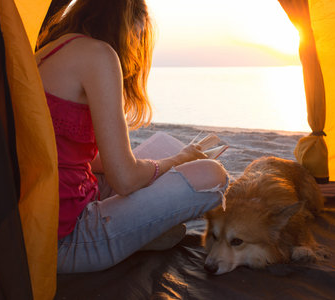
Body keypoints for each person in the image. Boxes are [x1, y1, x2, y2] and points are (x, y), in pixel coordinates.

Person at [35, 0, 228, 273]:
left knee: (165, 145)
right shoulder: (99, 55)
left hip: (52, 203)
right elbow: (124, 180)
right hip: (63, 239)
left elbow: (69, 155)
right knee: (212, 175)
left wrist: (163, 163)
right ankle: (142, 233)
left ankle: (142, 229)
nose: (138, 43)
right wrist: (179, 159)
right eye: (140, 34)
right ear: (131, 23)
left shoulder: (51, 48)